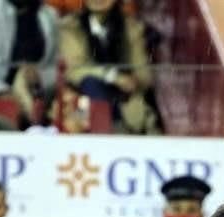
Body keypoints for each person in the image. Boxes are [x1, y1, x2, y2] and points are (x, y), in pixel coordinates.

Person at [58, 0, 159, 134]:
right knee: (91, 83)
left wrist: (134, 81)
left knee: (142, 122)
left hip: (125, 101)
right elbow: (75, 70)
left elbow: (144, 76)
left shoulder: (132, 28)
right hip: (81, 104)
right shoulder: (70, 27)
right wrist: (113, 76)